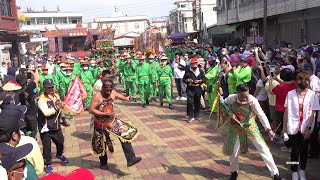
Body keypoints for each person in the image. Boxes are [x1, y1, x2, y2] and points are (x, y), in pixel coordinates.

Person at [222, 84, 281, 180]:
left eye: (247, 96)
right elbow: (223, 105)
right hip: (235, 127)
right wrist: (230, 114)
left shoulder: (252, 100)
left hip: (250, 126)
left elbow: (260, 114)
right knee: (233, 150)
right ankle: (234, 172)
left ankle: (275, 173)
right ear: (237, 94)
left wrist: (268, 129)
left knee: (263, 148)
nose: (245, 99)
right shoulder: (231, 98)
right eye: (243, 97)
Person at [89, 80, 142, 170]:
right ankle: (103, 163)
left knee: (125, 134)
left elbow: (119, 96)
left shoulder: (113, 93)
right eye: (106, 90)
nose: (108, 92)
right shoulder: (97, 96)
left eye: (110, 90)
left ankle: (131, 159)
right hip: (100, 124)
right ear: (102, 88)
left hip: (112, 121)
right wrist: (103, 114)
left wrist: (126, 98)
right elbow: (91, 109)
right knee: (100, 144)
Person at [282, 72, 320, 180]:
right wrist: (284, 128)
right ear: (297, 81)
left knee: (304, 151)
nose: (303, 82)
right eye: (301, 80)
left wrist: (308, 128)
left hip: (306, 127)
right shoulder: (290, 94)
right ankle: (294, 171)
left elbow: (313, 113)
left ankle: (302, 170)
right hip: (293, 127)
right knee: (295, 150)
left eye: (306, 80)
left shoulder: (312, 95)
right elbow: (286, 111)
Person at [37, 79, 69, 174]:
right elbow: (46, 113)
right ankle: (48, 164)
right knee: (47, 147)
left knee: (60, 141)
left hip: (56, 125)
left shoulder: (56, 96)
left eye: (52, 86)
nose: (51, 88)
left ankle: (59, 154)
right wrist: (57, 107)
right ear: (44, 88)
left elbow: (60, 109)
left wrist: (63, 118)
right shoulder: (41, 99)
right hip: (45, 127)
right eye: (48, 87)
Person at [269, 68, 296, 136]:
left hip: (281, 109)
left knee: (282, 125)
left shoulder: (280, 87)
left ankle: (285, 139)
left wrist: (270, 81)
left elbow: (271, 91)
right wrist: (277, 79)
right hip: (292, 108)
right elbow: (288, 84)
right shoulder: (295, 84)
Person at [183, 57, 206, 123]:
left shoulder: (200, 71)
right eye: (192, 64)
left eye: (195, 63)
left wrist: (200, 81)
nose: (194, 65)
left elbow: (204, 79)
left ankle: (197, 115)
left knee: (197, 102)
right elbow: (184, 79)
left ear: (197, 63)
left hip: (198, 88)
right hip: (190, 88)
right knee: (190, 102)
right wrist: (188, 80)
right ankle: (191, 116)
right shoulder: (188, 71)